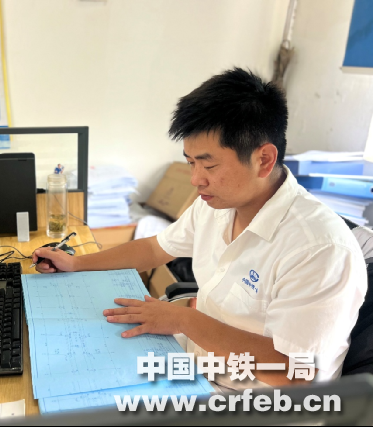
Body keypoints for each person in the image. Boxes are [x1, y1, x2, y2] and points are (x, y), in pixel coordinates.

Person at [32, 68, 367, 388]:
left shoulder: (319, 249)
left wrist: (183, 320)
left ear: (263, 159)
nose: (195, 179)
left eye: (209, 165)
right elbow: (154, 248)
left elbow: (297, 373)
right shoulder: (217, 204)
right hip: (200, 365)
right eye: (191, 162)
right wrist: (77, 263)